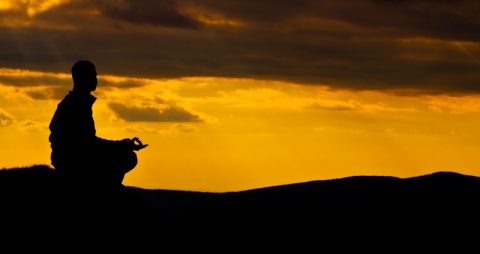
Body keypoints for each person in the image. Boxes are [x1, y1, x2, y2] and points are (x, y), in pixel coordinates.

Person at [49, 60, 148, 189]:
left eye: (95, 76)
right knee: (127, 157)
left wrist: (121, 145)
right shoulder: (74, 105)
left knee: (126, 155)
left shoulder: (78, 103)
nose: (95, 79)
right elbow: (85, 142)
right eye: (92, 76)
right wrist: (120, 145)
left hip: (72, 155)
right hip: (73, 159)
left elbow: (87, 141)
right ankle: (105, 188)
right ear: (80, 78)